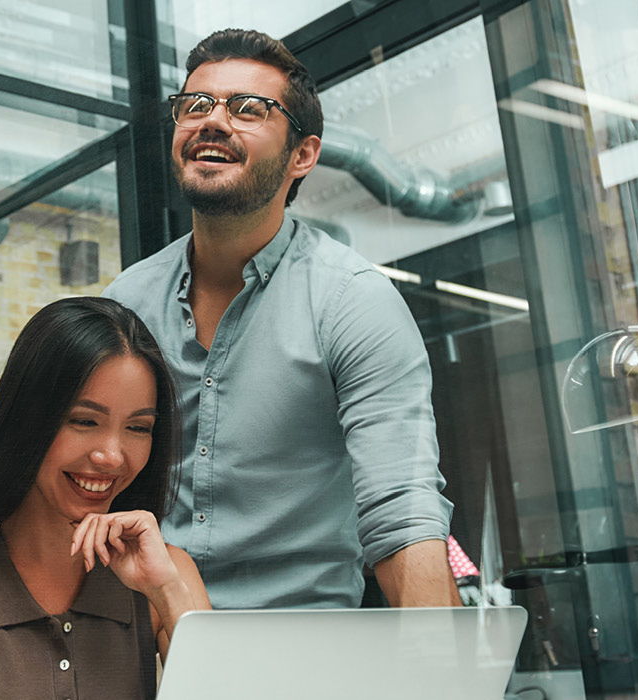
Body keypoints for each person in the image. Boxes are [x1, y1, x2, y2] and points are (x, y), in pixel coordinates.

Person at [103, 28, 456, 611]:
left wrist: (445, 668)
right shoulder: (128, 301)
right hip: (145, 642)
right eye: (195, 106)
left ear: (303, 156)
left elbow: (402, 509)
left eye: (248, 109)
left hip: (303, 647)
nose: (212, 122)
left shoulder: (352, 301)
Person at [0, 297, 210, 699]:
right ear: (26, 419)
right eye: (84, 421)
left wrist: (167, 592)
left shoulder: (169, 574)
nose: (111, 456)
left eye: (138, 427)